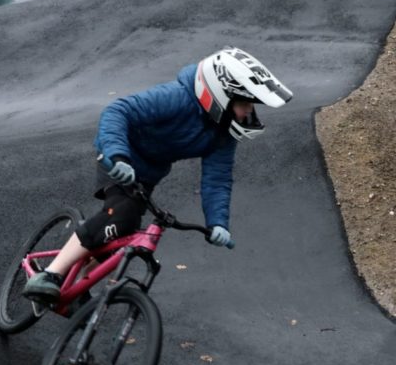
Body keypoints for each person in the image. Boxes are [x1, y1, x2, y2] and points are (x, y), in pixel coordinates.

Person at [23, 47, 293, 304]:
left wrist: (218, 222)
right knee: (119, 216)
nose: (249, 112)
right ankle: (52, 274)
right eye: (245, 104)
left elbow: (217, 179)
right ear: (221, 96)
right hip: (117, 156)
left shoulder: (223, 135)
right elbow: (118, 111)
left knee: (119, 239)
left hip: (146, 176)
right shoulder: (176, 97)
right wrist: (118, 156)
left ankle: (79, 283)